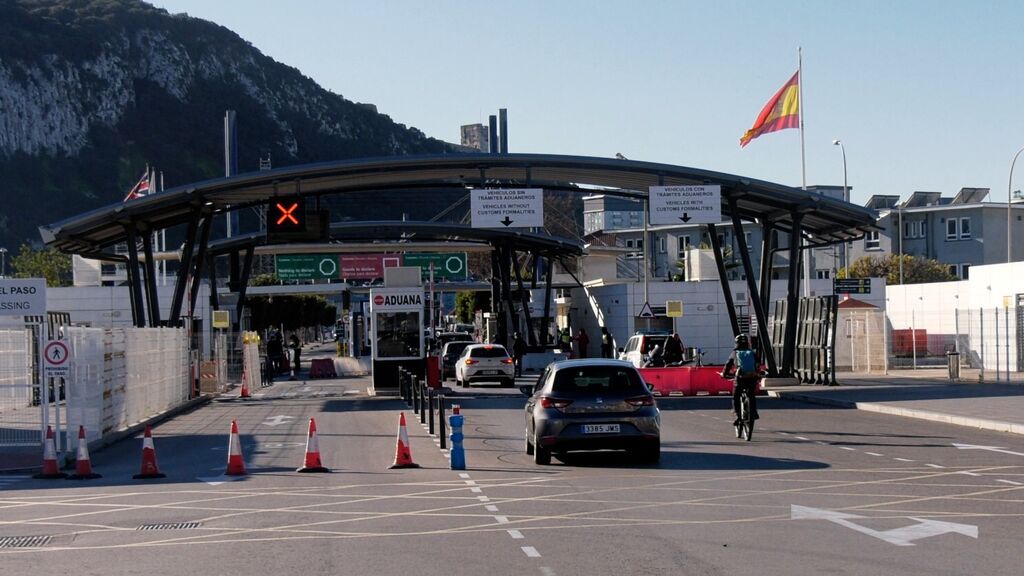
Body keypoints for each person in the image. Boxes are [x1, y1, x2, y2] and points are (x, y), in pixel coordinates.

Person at [721, 334, 760, 425]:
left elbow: (728, 365)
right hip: (752, 378)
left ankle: (737, 415)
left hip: (740, 378)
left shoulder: (735, 353)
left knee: (736, 396)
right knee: (751, 395)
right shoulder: (752, 353)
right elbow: (757, 364)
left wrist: (724, 374)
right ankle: (753, 412)